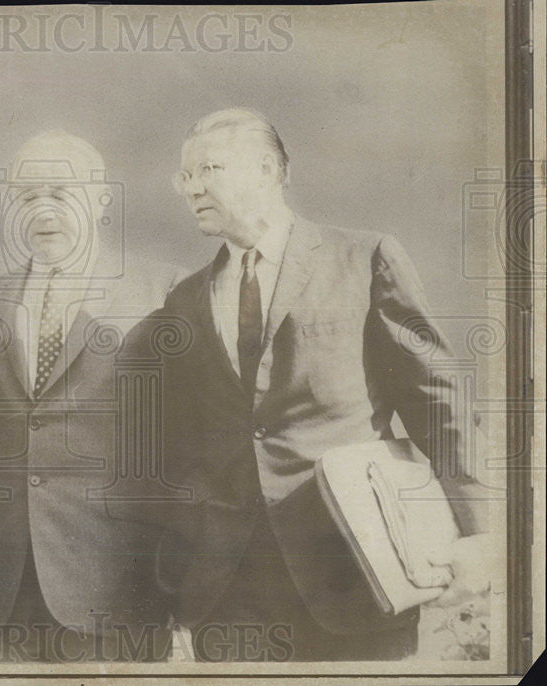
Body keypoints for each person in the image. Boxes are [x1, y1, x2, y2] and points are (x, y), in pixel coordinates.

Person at [113, 108, 493, 661]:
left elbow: (440, 403)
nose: (192, 188)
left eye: (208, 169)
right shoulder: (186, 300)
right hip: (227, 593)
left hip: (358, 569)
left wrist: (479, 533)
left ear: (266, 170)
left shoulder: (364, 259)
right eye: (184, 177)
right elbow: (180, 445)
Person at [0, 130, 181, 662]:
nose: (42, 210)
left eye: (60, 191)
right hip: (2, 584)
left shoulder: (160, 291)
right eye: (27, 197)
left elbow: (181, 449)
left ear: (101, 199)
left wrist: (178, 578)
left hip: (117, 584)